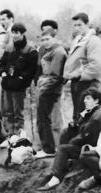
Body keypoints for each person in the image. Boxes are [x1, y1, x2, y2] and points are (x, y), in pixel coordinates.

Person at [36, 87, 101, 192]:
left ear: (96, 100)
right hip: (85, 143)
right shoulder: (90, 112)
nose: (84, 101)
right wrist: (74, 126)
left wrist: (71, 142)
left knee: (63, 148)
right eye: (85, 98)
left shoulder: (98, 116)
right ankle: (62, 163)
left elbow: (86, 137)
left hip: (90, 149)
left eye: (88, 98)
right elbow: (81, 128)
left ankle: (55, 177)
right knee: (65, 132)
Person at [63, 12, 101, 121]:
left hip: (88, 83)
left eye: (80, 25)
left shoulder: (93, 40)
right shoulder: (78, 40)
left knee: (87, 115)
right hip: (77, 82)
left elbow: (97, 64)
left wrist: (81, 76)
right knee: (78, 115)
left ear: (87, 24)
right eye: (75, 25)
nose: (77, 28)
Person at [0, 22, 37, 135]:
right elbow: (2, 63)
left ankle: (18, 134)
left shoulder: (30, 50)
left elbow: (31, 70)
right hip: (7, 84)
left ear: (22, 33)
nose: (14, 35)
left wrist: (21, 79)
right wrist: (3, 73)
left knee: (18, 112)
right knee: (7, 111)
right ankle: (9, 134)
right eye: (13, 33)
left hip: (19, 87)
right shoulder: (9, 48)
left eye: (17, 33)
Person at [35, 28, 66, 157]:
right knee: (43, 118)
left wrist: (43, 88)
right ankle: (48, 147)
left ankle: (48, 149)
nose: (45, 42)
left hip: (50, 89)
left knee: (43, 119)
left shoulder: (58, 52)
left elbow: (55, 75)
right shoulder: (50, 51)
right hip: (46, 87)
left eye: (47, 39)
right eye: (42, 40)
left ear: (55, 38)